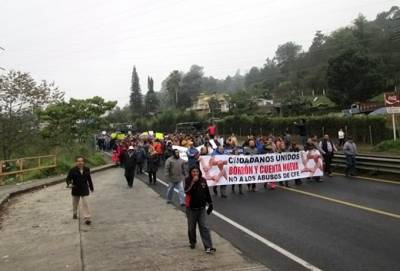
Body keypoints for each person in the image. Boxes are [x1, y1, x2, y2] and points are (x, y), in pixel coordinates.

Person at [184, 166, 216, 254]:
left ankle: (208, 247)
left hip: (201, 208)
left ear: (199, 172)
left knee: (204, 227)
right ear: (191, 172)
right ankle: (193, 242)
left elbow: (207, 192)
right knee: (191, 228)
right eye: (193, 172)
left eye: (197, 171)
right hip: (191, 209)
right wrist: (193, 183)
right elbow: (187, 191)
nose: (195, 173)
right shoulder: (188, 180)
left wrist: (210, 203)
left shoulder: (203, 180)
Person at [66, 156, 94, 225]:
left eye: (81, 161)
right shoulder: (72, 170)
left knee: (85, 203)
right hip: (76, 189)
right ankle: (75, 213)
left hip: (84, 188)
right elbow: (68, 179)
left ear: (83, 162)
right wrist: (69, 184)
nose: (80, 162)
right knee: (75, 204)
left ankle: (87, 218)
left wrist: (91, 187)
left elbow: (89, 179)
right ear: (76, 162)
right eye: (78, 161)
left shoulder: (87, 169)